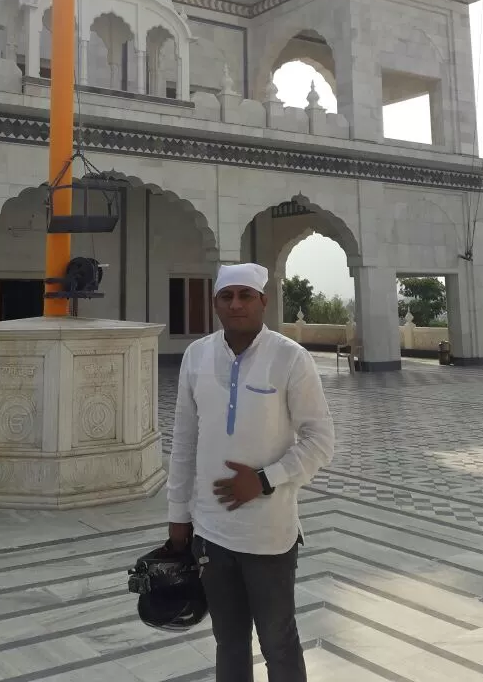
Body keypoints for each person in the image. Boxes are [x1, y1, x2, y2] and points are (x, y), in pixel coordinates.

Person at [167, 263, 335, 681]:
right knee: (229, 641)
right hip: (210, 532)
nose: (236, 304)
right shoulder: (197, 356)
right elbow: (184, 440)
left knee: (278, 641)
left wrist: (262, 480)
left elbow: (320, 441)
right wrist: (177, 517)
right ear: (215, 304)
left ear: (264, 301)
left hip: (268, 535)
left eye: (245, 295)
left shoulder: (289, 358)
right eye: (227, 296)